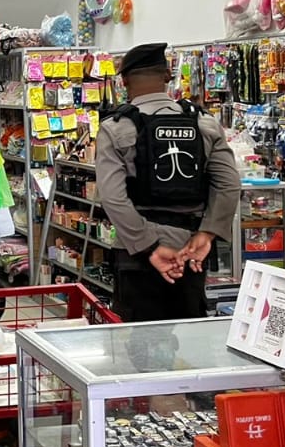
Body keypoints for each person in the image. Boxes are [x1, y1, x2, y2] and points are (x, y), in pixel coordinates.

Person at [96, 42, 241, 322]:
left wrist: (149, 246)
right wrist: (207, 234)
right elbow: (228, 185)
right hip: (190, 251)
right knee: (189, 334)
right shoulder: (204, 124)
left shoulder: (115, 128)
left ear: (123, 81)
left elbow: (112, 197)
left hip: (136, 255)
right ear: (167, 75)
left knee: (136, 339)